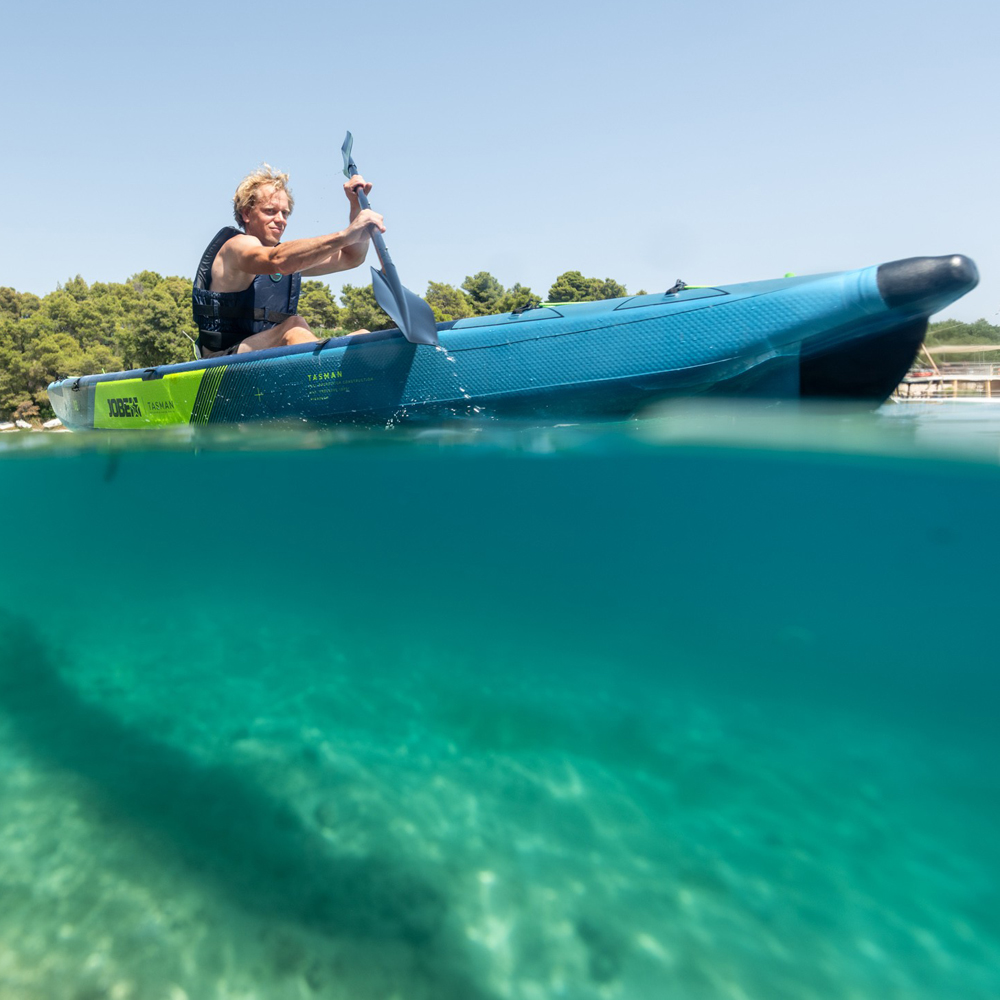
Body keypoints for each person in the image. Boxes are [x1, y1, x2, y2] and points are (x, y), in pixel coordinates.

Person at [192, 165, 384, 357]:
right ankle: (323, 378)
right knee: (293, 326)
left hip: (264, 360)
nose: (280, 219)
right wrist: (345, 235)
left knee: (362, 338)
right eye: (270, 211)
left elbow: (352, 258)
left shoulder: (288, 257)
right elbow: (278, 260)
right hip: (220, 366)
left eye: (285, 213)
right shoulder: (238, 247)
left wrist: (356, 207)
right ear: (246, 214)